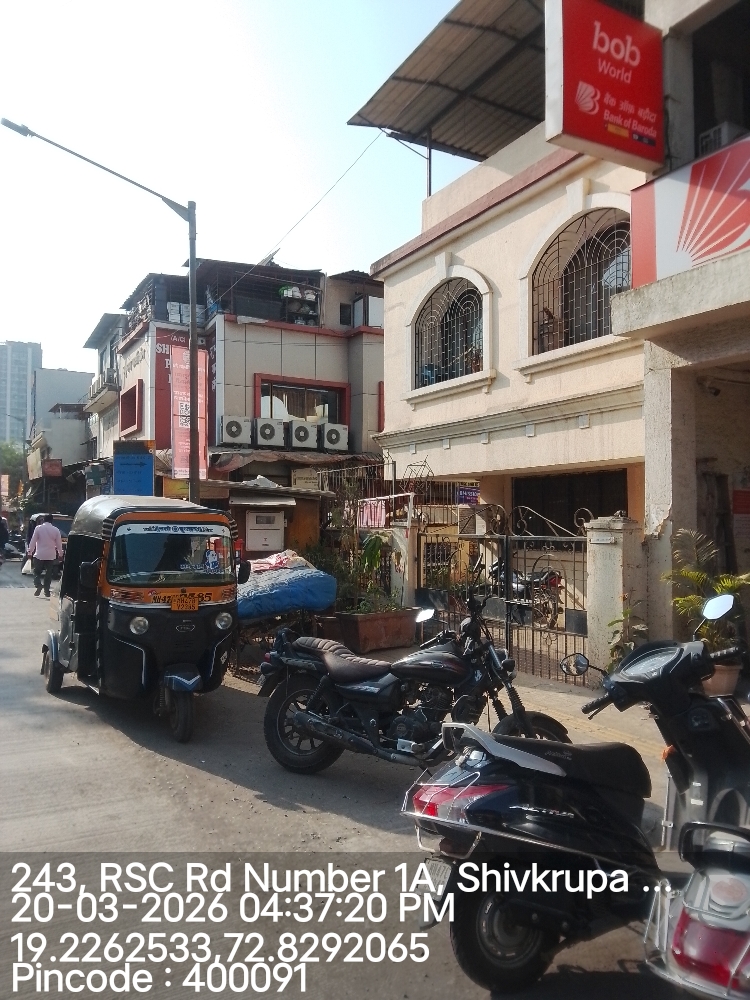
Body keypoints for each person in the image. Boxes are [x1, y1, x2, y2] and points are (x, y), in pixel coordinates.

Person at [28, 513, 63, 597]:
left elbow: (33, 541)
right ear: (52, 521)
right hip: (51, 555)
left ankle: (38, 585)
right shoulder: (56, 530)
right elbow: (59, 544)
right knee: (48, 573)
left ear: (43, 520)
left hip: (39, 554)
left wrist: (29, 552)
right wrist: (60, 554)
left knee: (37, 572)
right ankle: (46, 591)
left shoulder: (38, 528)